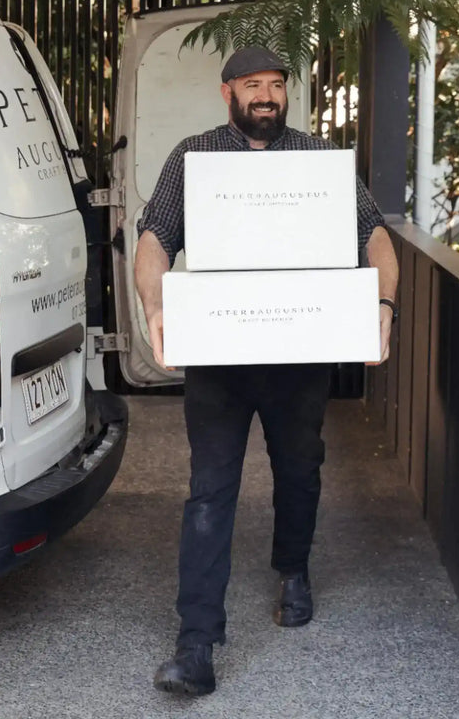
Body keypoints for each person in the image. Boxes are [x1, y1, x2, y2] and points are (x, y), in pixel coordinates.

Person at [134, 46, 400, 696]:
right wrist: (154, 302)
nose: (266, 96)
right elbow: (154, 238)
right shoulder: (194, 157)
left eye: (276, 86)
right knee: (208, 492)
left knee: (300, 469)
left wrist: (383, 304)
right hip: (220, 356)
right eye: (253, 85)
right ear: (226, 92)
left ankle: (293, 570)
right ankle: (195, 645)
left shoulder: (316, 158)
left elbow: (374, 235)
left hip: (299, 350)